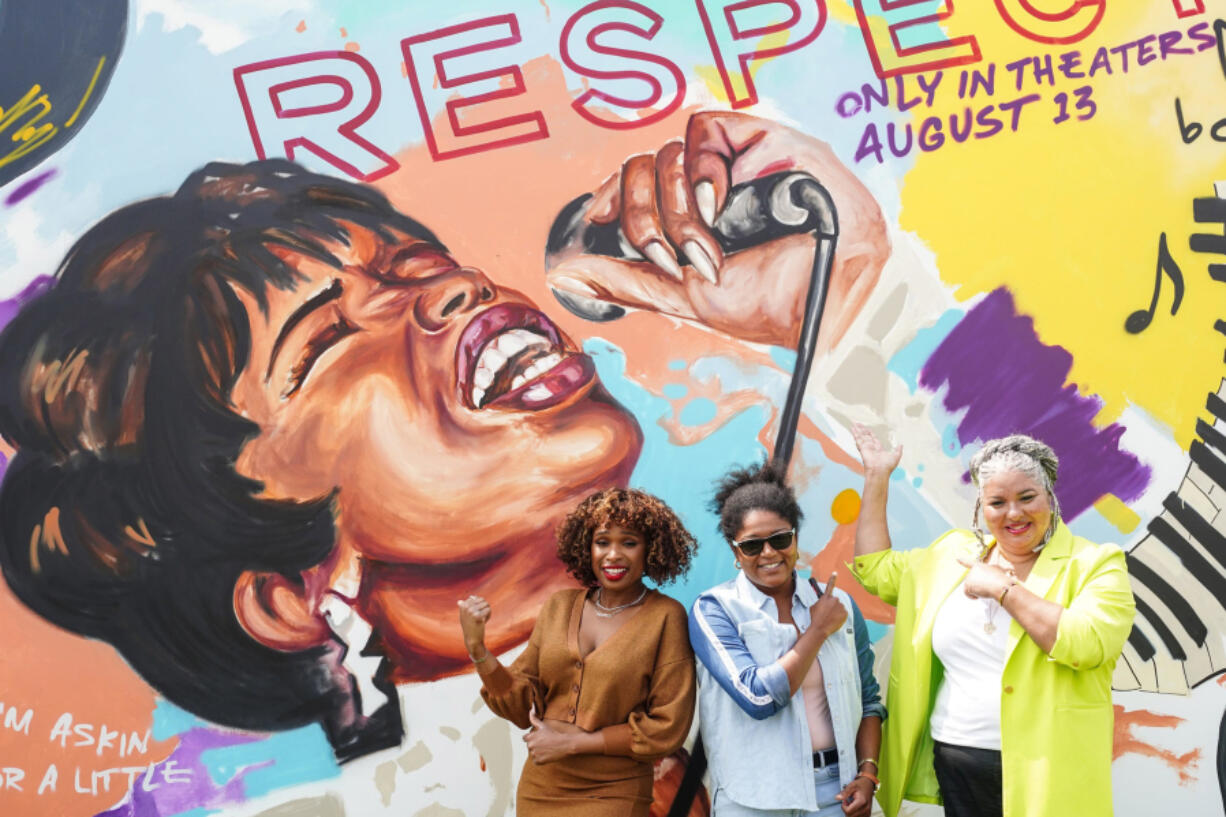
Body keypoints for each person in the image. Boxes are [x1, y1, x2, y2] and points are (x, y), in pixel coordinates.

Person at [0, 111, 888, 771]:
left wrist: (837, 286)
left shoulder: (697, 636)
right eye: (325, 339)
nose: (451, 291)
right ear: (290, 595)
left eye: (416, 267)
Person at [849, 424, 1136, 817]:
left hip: (1048, 767)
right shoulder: (951, 556)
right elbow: (875, 568)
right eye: (997, 502)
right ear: (980, 508)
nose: (1013, 513)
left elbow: (1085, 645)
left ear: (1050, 498)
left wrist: (1004, 589)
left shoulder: (1095, 563)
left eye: (1027, 497)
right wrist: (876, 476)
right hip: (959, 761)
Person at [456, 487, 698, 816]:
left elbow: (667, 726)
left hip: (614, 792)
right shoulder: (559, 607)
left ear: (650, 549)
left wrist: (572, 743)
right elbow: (519, 705)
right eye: (602, 542)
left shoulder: (665, 617)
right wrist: (478, 650)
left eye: (629, 542)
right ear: (587, 547)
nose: (613, 554)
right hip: (542, 789)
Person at [688, 461, 884, 817]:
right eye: (751, 546)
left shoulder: (838, 604)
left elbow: (869, 699)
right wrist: (818, 630)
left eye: (780, 539)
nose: (768, 553)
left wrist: (868, 774)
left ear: (795, 538)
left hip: (839, 792)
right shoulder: (715, 610)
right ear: (735, 552)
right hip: (755, 797)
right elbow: (758, 697)